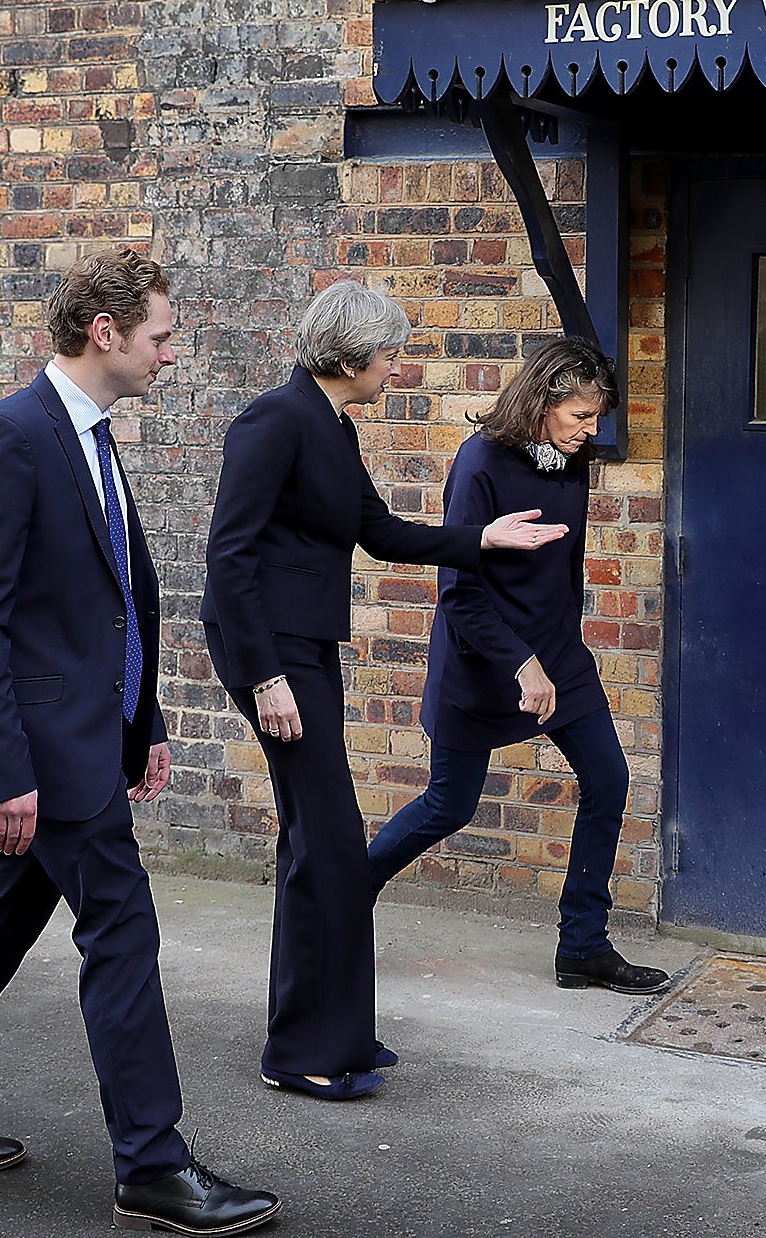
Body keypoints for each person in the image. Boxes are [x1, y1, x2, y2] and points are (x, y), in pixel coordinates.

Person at [0, 249, 280, 1237]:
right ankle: (153, 1166)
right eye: (161, 336)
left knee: (4, 913)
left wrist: (145, 726)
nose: (170, 354)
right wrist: (3, 773)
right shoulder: (13, 439)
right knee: (122, 926)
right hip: (40, 753)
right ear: (107, 333)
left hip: (88, 738)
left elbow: (107, 605)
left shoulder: (87, 435)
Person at [201, 280, 567, 1102]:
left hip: (305, 647)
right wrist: (265, 677)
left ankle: (342, 1035)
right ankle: (298, 1051)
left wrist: (483, 537)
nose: (397, 368)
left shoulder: (331, 425)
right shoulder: (275, 419)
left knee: (317, 841)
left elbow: (380, 531)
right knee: (327, 841)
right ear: (347, 355)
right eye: (391, 354)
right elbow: (229, 557)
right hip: (270, 653)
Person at [368, 336, 670, 1003]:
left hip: (558, 657)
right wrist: (522, 665)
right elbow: (460, 594)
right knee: (449, 805)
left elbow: (560, 571)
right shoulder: (479, 464)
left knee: (609, 780)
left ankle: (584, 947)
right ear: (543, 401)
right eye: (581, 418)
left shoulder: (571, 461)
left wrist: (558, 655)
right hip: (484, 662)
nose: (592, 432)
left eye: (596, 419)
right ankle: (343, 901)